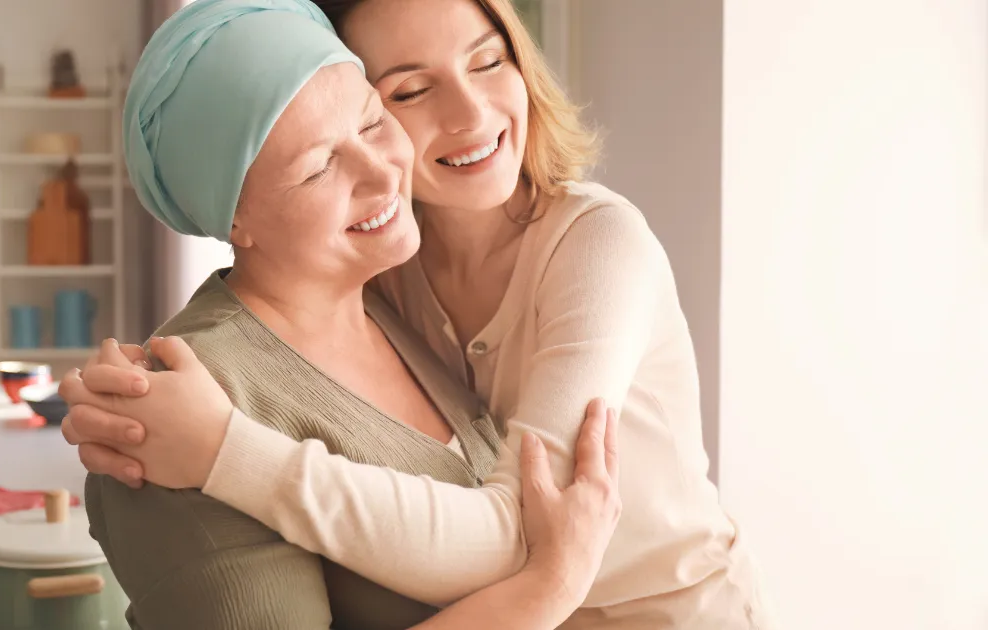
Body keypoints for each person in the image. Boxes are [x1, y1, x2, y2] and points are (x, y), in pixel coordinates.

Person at [64, 0, 772, 627]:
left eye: (488, 60)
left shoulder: (591, 244)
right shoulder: (390, 269)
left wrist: (226, 451)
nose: (469, 114)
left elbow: (511, 531)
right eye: (409, 89)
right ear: (232, 217)